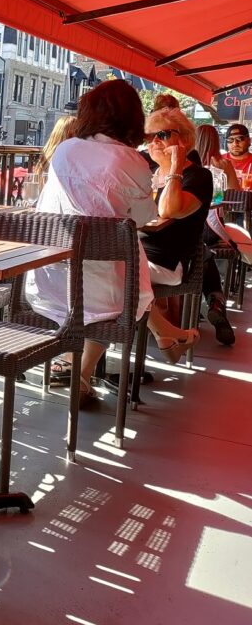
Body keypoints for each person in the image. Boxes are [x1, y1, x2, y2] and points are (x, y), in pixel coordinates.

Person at [26, 80, 156, 405]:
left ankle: (72, 364)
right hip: (104, 292)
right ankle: (80, 371)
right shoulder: (133, 161)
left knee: (106, 277)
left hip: (48, 277)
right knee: (124, 284)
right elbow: (142, 219)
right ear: (132, 118)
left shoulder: (65, 149)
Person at [140, 106, 213, 360]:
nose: (153, 143)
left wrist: (175, 165)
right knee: (105, 269)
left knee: (111, 271)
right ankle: (168, 334)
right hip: (139, 254)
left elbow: (169, 210)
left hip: (170, 263)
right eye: (148, 137)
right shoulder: (150, 173)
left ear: (182, 138)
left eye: (161, 135)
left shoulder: (199, 176)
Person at [193, 124, 237, 345]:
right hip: (214, 229)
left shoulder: (188, 167)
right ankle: (216, 303)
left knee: (199, 252)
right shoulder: (222, 165)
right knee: (203, 253)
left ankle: (196, 308)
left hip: (194, 229)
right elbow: (234, 196)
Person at [222, 123, 252, 187]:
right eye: (230, 140)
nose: (235, 144)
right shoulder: (220, 161)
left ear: (249, 141)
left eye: (240, 139)